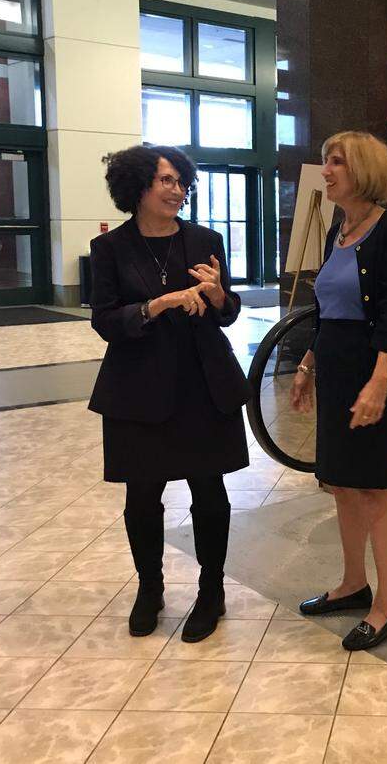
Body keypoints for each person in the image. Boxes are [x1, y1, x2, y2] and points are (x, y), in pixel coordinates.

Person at [88, 145, 252, 644]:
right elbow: (105, 320)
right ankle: (150, 588)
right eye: (166, 180)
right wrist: (155, 306)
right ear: (137, 186)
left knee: (208, 490)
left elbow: (227, 311)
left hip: (202, 383)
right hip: (137, 388)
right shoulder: (110, 249)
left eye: (182, 181)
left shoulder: (204, 239)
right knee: (142, 496)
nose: (177, 189)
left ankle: (211, 591)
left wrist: (221, 296)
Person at [290, 130, 387, 651]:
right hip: (338, 366)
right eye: (326, 162)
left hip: (372, 369)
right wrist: (308, 360)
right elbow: (328, 308)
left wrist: (379, 383)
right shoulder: (338, 230)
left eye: (335, 162)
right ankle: (352, 583)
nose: (326, 172)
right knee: (341, 484)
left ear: (362, 169)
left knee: (374, 488)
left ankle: (386, 606)